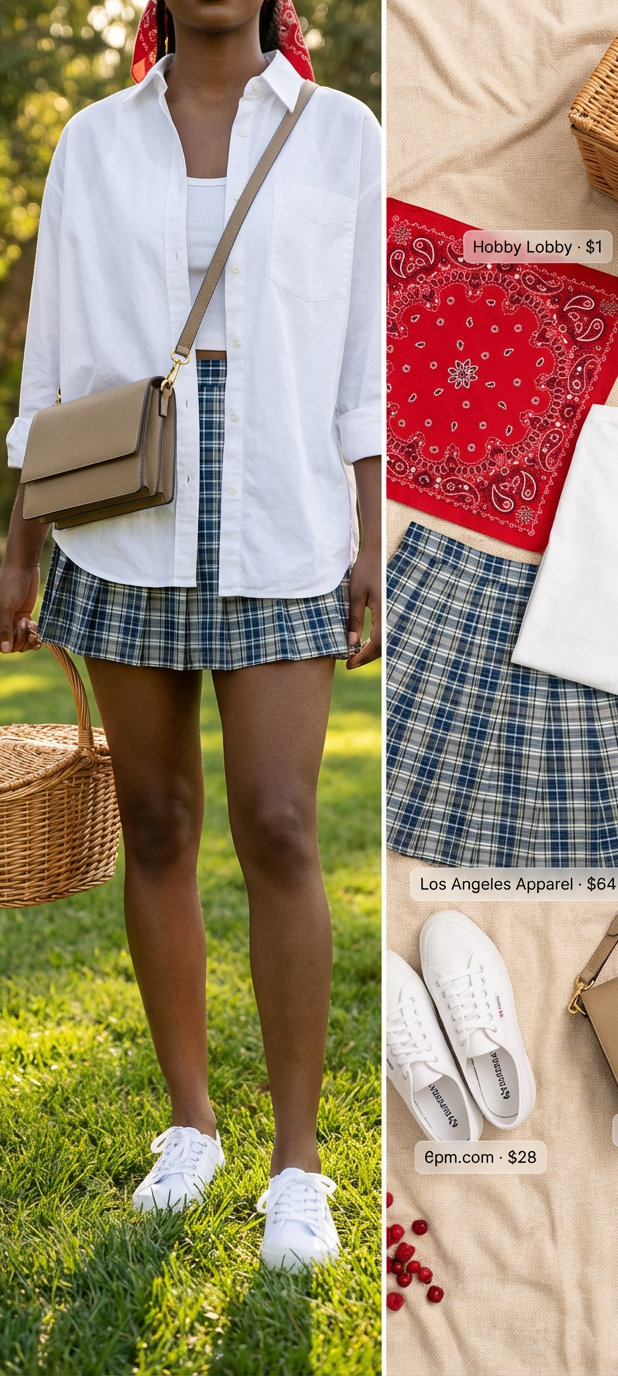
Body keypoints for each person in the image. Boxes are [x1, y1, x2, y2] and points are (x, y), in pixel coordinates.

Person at [0, 0, 381, 1271]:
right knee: (156, 820)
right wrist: (21, 544)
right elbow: (52, 359)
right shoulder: (95, 142)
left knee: (278, 818)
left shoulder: (341, 133)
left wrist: (371, 537)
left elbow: (363, 362)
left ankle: (298, 1163)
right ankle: (192, 1125)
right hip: (124, 508)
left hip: (281, 504)